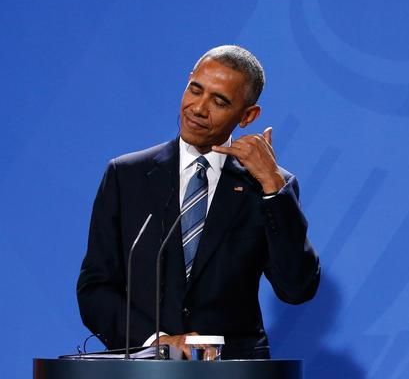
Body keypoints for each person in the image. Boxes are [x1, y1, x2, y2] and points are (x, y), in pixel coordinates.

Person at [77, 45, 320, 359]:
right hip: (144, 368)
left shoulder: (269, 186)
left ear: (248, 116)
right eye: (195, 90)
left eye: (219, 101)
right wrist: (158, 342)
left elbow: (297, 288)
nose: (198, 109)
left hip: (234, 368)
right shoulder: (127, 175)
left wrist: (272, 187)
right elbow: (95, 288)